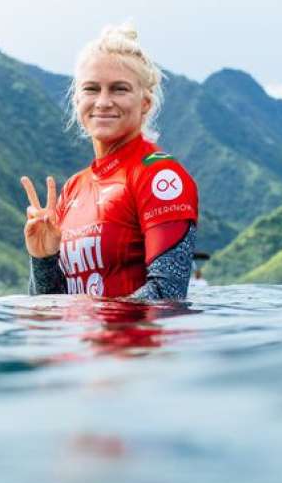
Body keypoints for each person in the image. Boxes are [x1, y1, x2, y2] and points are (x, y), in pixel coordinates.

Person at [21, 24, 199, 300]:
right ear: (77, 99)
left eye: (119, 89)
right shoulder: (73, 188)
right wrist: (43, 259)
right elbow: (51, 309)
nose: (103, 102)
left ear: (145, 103)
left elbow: (167, 295)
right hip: (81, 344)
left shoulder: (159, 175)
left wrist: (92, 315)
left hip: (137, 344)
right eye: (91, 89)